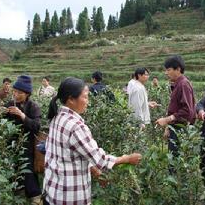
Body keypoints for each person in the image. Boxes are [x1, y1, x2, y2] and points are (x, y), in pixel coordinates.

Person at [44, 77, 142, 205]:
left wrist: (93, 169)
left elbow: (68, 154)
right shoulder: (75, 126)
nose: (87, 102)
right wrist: (127, 158)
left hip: (53, 192)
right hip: (70, 197)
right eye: (85, 97)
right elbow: (100, 159)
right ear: (71, 99)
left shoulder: (57, 118)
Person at [4, 75, 42, 205]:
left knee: (28, 171)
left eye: (19, 92)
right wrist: (0, 113)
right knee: (14, 169)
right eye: (14, 91)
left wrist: (21, 115)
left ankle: (36, 198)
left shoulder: (33, 107)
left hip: (27, 145)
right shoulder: (9, 104)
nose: (16, 94)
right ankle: (18, 195)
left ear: (27, 94)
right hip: (11, 144)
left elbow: (36, 127)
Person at [156, 55, 195, 157]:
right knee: (173, 160)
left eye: (168, 70)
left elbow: (187, 111)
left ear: (178, 69)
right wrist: (169, 126)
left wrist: (167, 120)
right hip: (175, 128)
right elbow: (175, 108)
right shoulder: (178, 84)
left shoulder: (183, 84)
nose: (166, 73)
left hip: (180, 129)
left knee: (175, 163)